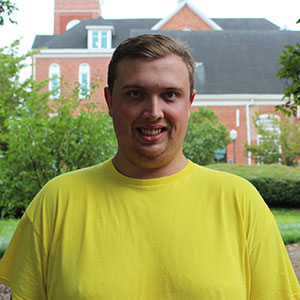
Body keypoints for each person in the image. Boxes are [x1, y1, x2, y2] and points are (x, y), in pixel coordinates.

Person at [0, 34, 299, 300]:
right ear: (109, 101)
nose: (153, 112)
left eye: (170, 95)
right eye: (135, 94)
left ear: (189, 104)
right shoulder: (56, 202)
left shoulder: (240, 203)